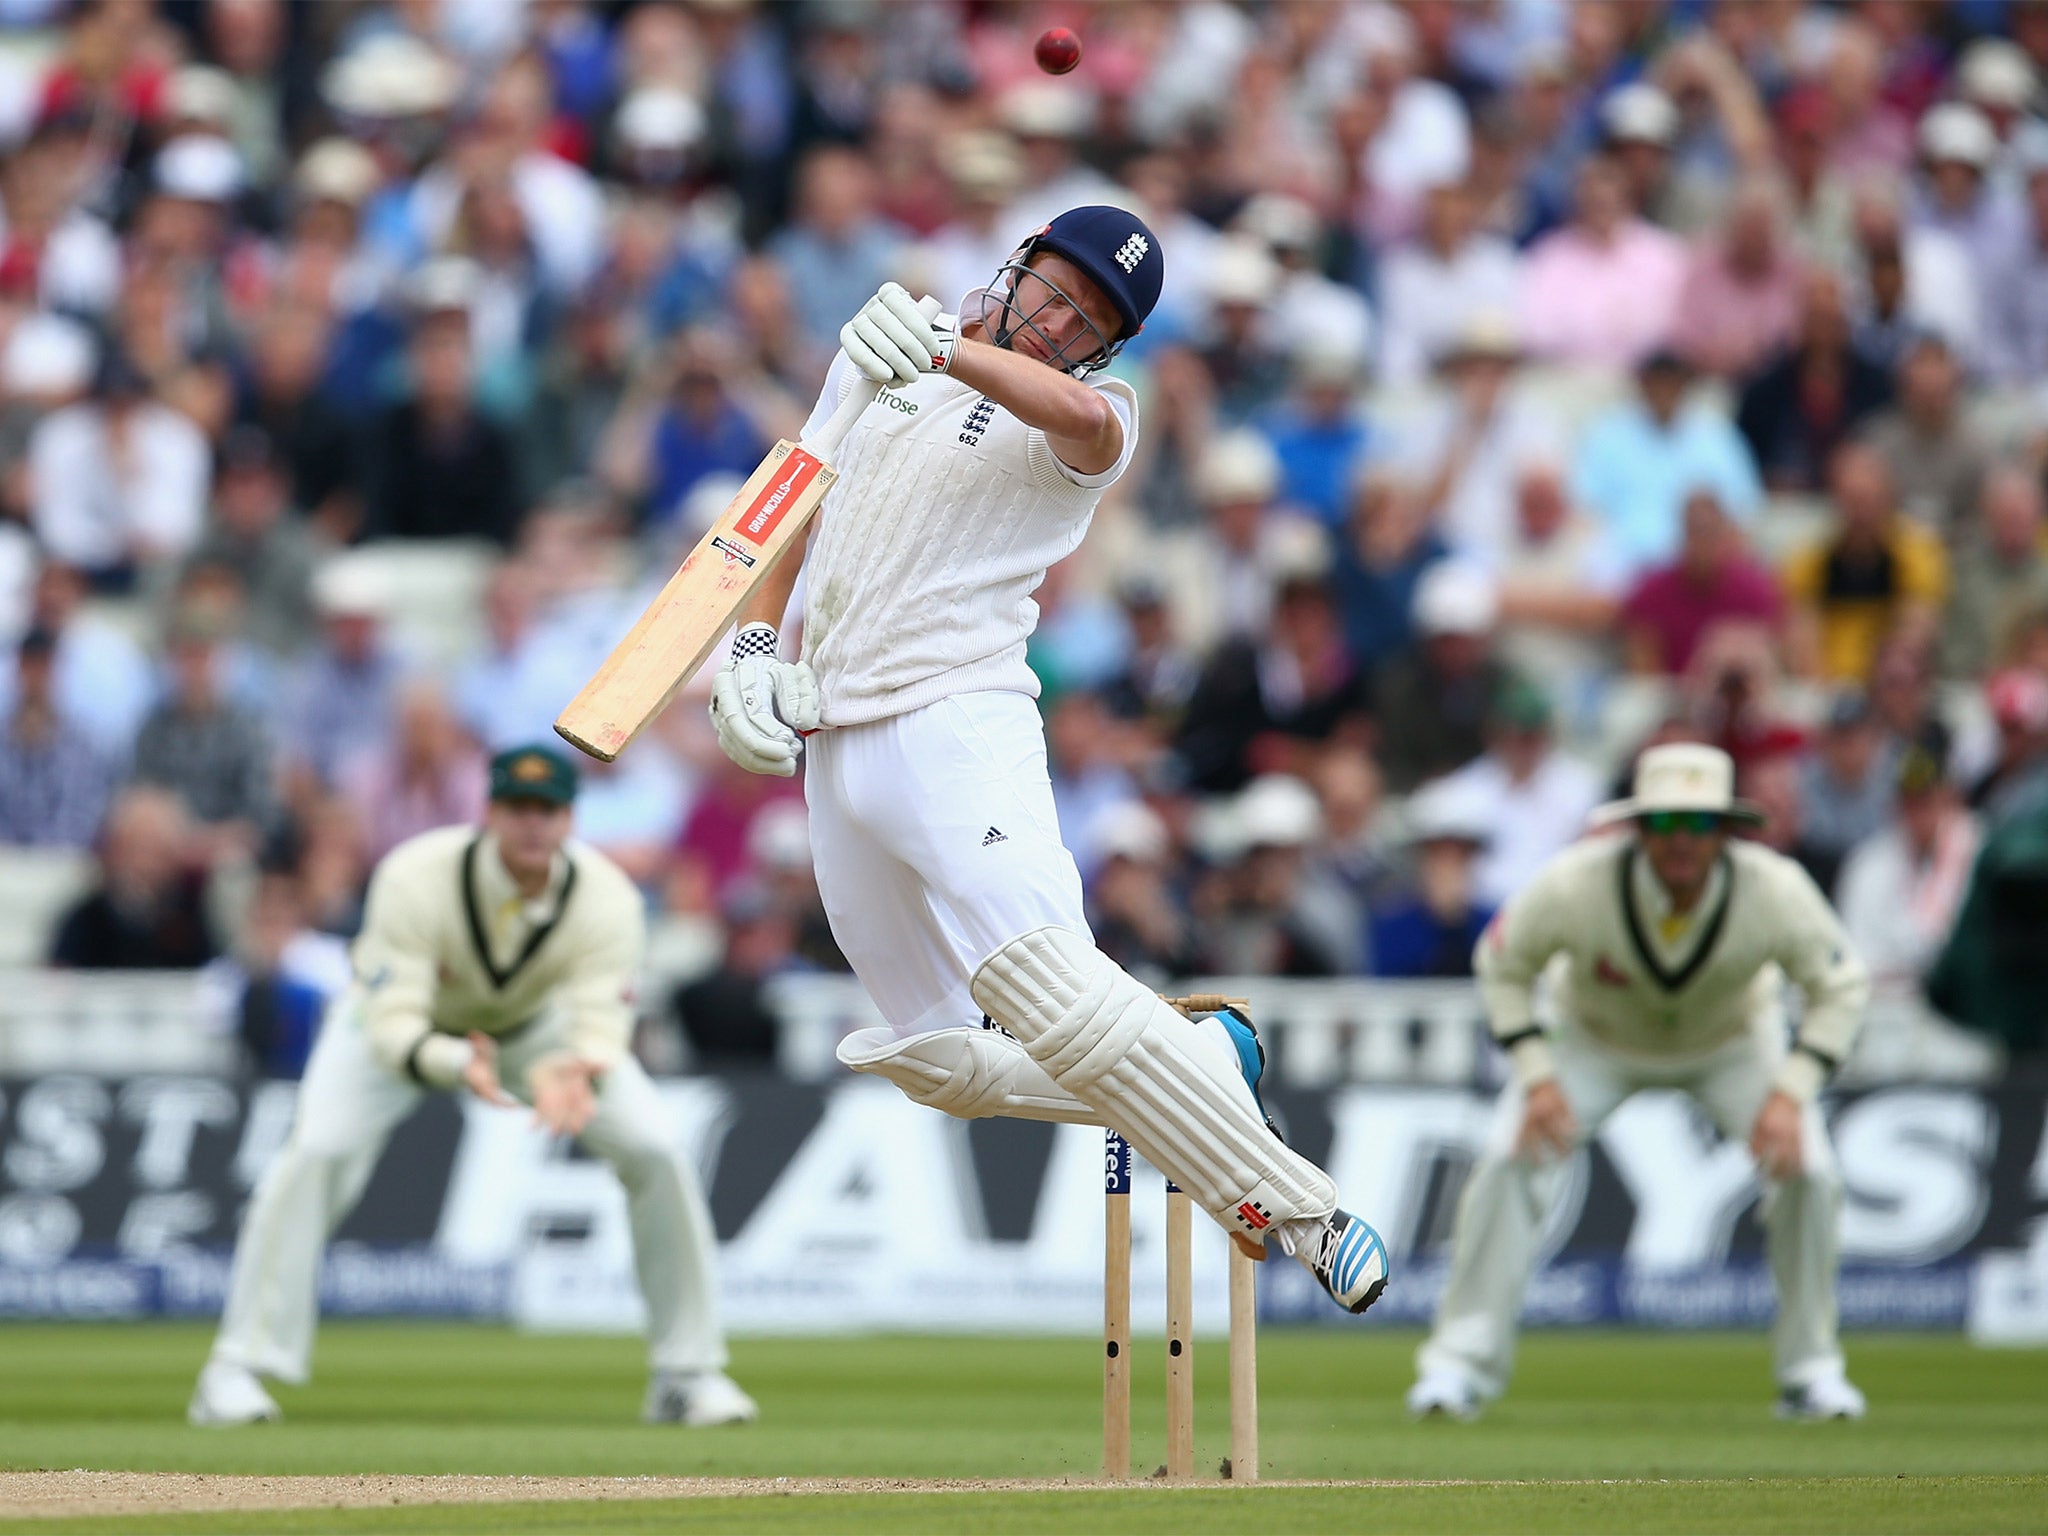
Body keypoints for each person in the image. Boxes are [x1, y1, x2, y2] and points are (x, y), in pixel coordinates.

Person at [710, 207, 1389, 1316]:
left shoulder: (1094, 415)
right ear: (1017, 263)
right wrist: (749, 647)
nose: (1060, 324)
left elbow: (1072, 413)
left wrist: (944, 350)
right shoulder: (879, 349)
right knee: (941, 1064)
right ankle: (1203, 1066)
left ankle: (1303, 1213)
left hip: (954, 721)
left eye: (1088, 321)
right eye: (1055, 292)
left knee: (1041, 987)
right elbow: (793, 496)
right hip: (834, 740)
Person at [187, 746, 752, 1428]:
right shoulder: (416, 875)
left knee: (655, 1147)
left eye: (548, 810)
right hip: (397, 1028)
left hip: (538, 1029)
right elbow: (394, 1023)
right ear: (489, 811)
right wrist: (457, 1063)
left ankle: (687, 1374)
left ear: (571, 817)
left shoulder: (606, 896)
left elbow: (603, 1018)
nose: (533, 825)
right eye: (519, 808)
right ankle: (235, 1368)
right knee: (317, 1152)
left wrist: (574, 1066)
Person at [1408, 744, 1870, 1423]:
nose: (1680, 841)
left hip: (1733, 1043)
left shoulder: (1774, 888)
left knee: (1811, 1175)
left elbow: (1841, 985)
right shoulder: (1574, 882)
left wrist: (1792, 1090)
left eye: (1697, 824)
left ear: (1724, 830)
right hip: (1593, 1038)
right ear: (1637, 826)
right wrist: (1537, 1077)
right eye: (1663, 824)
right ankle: (1456, 1367)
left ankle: (1811, 1372)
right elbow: (1502, 964)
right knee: (1509, 1159)